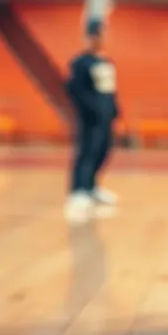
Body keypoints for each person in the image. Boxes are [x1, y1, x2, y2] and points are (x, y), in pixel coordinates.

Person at [64, 22, 120, 222]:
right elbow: (74, 89)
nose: (99, 39)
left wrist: (114, 110)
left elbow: (110, 90)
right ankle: (78, 191)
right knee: (86, 151)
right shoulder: (80, 63)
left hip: (106, 117)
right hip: (90, 117)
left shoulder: (106, 62)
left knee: (102, 151)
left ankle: (92, 186)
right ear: (89, 38)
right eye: (95, 36)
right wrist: (90, 109)